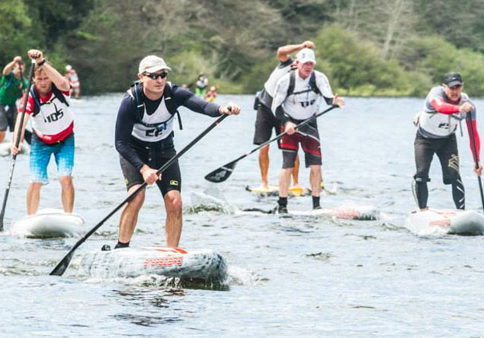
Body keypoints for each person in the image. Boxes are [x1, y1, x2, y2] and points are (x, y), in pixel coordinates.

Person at [114, 55, 241, 248]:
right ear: (141, 77)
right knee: (136, 196)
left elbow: (204, 106)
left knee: (175, 202)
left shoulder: (174, 94)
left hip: (164, 151)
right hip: (135, 152)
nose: (159, 80)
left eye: (163, 75)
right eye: (153, 76)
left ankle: (171, 254)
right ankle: (121, 247)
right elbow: (121, 143)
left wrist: (223, 109)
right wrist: (144, 169)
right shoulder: (130, 101)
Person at [271, 48, 344, 213]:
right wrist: (287, 122)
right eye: (305, 64)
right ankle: (282, 205)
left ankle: (316, 205)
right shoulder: (286, 81)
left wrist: (335, 101)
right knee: (287, 165)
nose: (308, 67)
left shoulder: (319, 78)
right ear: (297, 64)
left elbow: (327, 99)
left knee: (316, 167)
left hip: (310, 125)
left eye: (311, 64)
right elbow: (275, 107)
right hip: (289, 124)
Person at [11, 49, 75, 215]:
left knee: (65, 178)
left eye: (46, 78)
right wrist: (15, 142)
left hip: (65, 140)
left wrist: (41, 62)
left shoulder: (61, 89)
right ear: (33, 79)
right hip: (40, 142)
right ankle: (30, 217)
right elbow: (21, 119)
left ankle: (68, 215)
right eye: (39, 79)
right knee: (35, 181)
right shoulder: (30, 96)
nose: (43, 82)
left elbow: (62, 83)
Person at [412, 72, 482, 211]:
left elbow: (473, 135)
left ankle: (461, 212)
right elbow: (440, 107)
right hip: (425, 140)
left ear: (462, 86)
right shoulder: (436, 94)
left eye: (458, 87)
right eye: (451, 87)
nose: (455, 91)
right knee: (421, 174)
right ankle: (423, 210)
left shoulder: (467, 105)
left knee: (454, 174)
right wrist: (458, 109)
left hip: (447, 141)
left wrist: (476, 161)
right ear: (444, 87)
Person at [253, 41, 315, 191]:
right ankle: (264, 183)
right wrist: (301, 46)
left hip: (284, 112)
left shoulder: (305, 77)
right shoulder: (286, 63)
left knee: (291, 147)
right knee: (264, 146)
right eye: (299, 61)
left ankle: (295, 183)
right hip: (266, 107)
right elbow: (281, 50)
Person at [0, 56, 28, 144]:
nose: (20, 70)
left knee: (17, 126)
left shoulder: (24, 82)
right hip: (1, 103)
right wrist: (14, 62)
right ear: (14, 68)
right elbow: (5, 70)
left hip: (12, 104)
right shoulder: (9, 75)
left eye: (22, 69)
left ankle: (18, 143)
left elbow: (27, 93)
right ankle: (0, 143)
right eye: (18, 68)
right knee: (2, 127)